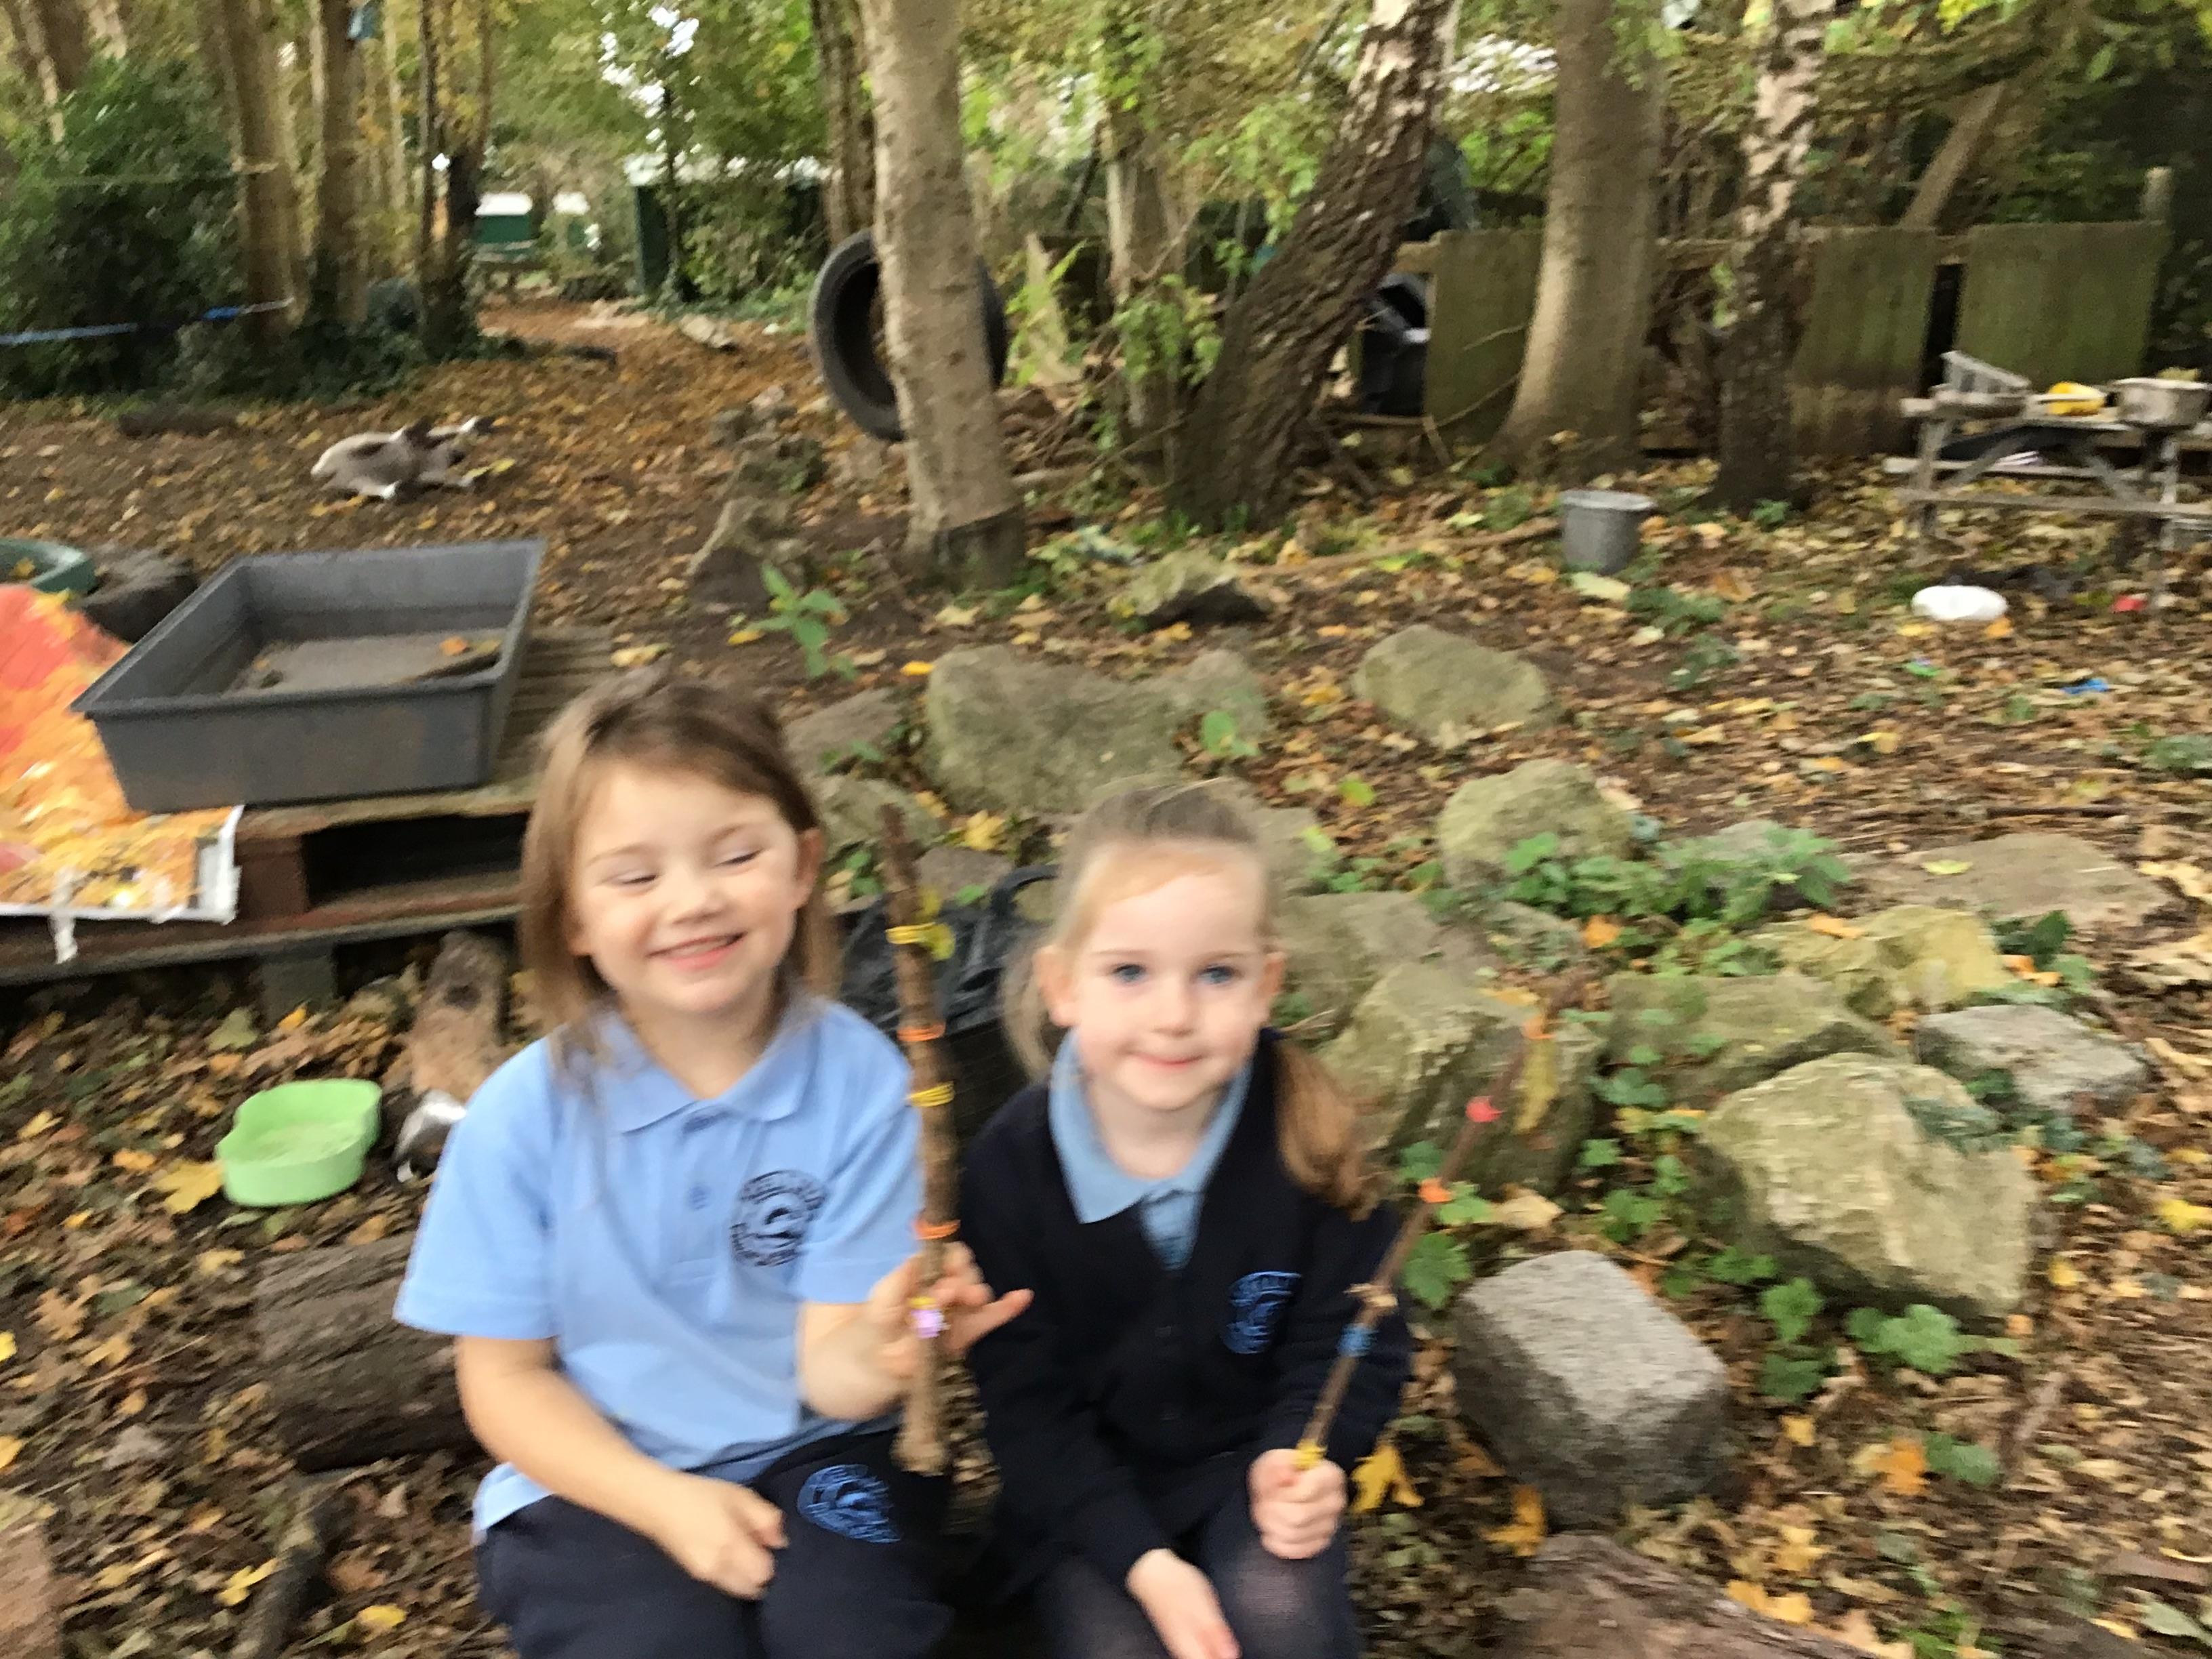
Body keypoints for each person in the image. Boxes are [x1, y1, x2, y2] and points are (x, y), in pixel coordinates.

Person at [392, 670, 1027, 1659]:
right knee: (656, 1639)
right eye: (634, 877)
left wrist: (897, 1344)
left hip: (822, 1452)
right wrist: (663, 1502)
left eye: (735, 855)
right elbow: (506, 1381)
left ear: (803, 866)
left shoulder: (863, 1083)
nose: (693, 901)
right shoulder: (522, 1117)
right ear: (572, 916)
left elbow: (835, 1375)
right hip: (593, 1479)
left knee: (851, 1630)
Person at [961, 781, 1411, 1659]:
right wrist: (1147, 1565)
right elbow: (1028, 1411)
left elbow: (1357, 1334)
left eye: (1217, 974)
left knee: (1278, 1608)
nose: (1174, 1016)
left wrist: (1305, 1454)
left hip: (1250, 1467)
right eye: (1129, 972)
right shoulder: (1009, 1173)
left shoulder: (1305, 1135)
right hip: (1089, 1500)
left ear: (1266, 984)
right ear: (1062, 986)